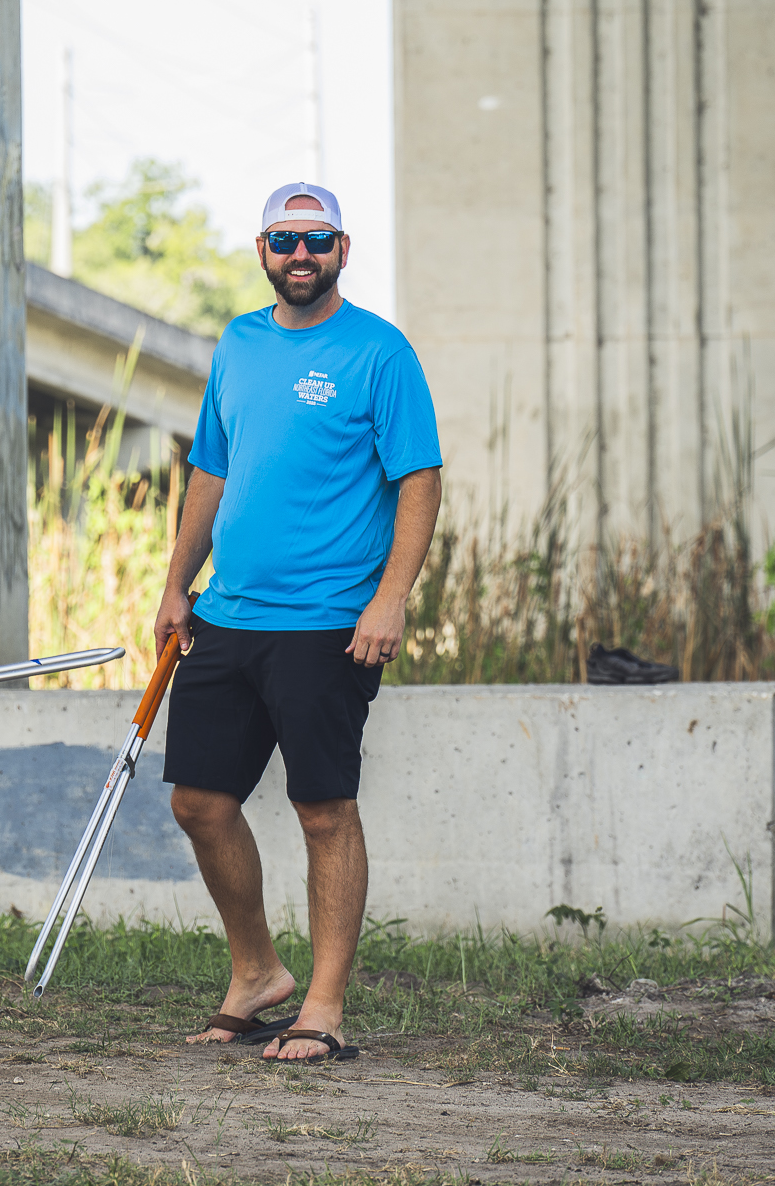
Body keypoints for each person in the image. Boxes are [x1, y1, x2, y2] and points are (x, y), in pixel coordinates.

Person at [151, 183, 443, 1064]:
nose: (301, 254)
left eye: (317, 239)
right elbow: (211, 470)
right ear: (263, 250)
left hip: (328, 622)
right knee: (199, 800)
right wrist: (176, 582)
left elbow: (420, 479)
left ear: (343, 248)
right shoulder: (238, 343)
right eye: (285, 240)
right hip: (228, 613)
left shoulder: (380, 352)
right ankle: (256, 973)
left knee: (323, 809)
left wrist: (390, 598)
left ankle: (323, 1005)